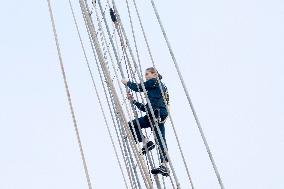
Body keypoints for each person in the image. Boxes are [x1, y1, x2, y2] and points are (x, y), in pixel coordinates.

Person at [121, 67, 170, 176]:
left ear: (154, 74)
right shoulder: (154, 89)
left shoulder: (155, 82)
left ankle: (162, 162)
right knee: (133, 125)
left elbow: (138, 87)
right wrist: (133, 101)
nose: (146, 76)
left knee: (160, 138)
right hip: (154, 115)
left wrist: (127, 83)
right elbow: (145, 108)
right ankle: (148, 144)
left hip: (158, 114)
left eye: (147, 74)